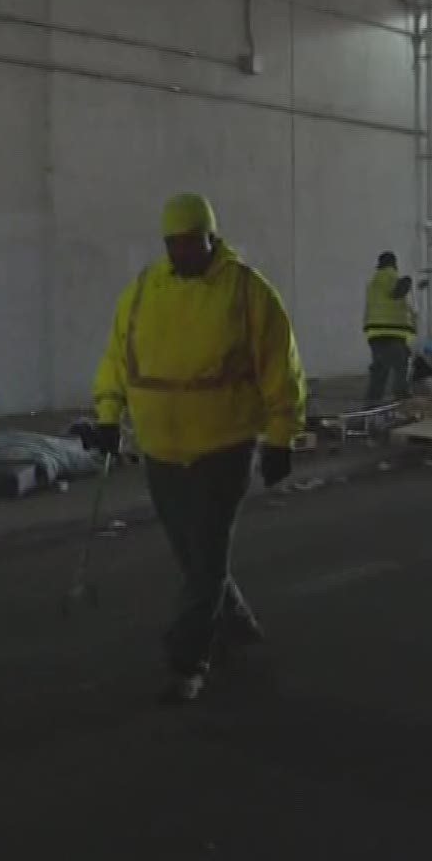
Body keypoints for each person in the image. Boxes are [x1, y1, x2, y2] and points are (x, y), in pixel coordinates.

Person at [81, 193, 306, 704]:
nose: (182, 252)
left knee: (206, 559)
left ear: (212, 237)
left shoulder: (248, 292)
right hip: (161, 450)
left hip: (223, 449)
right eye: (173, 244)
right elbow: (118, 359)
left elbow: (280, 369)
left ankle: (187, 663)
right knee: (194, 557)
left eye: (191, 242)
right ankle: (237, 623)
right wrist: (108, 416)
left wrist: (280, 437)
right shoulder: (142, 292)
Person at [363, 251, 420, 405]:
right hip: (392, 333)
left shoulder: (373, 283)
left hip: (375, 334)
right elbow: (396, 293)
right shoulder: (390, 278)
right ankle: (403, 401)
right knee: (401, 368)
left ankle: (372, 403)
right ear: (394, 264)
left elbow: (390, 302)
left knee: (380, 370)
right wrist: (407, 281)